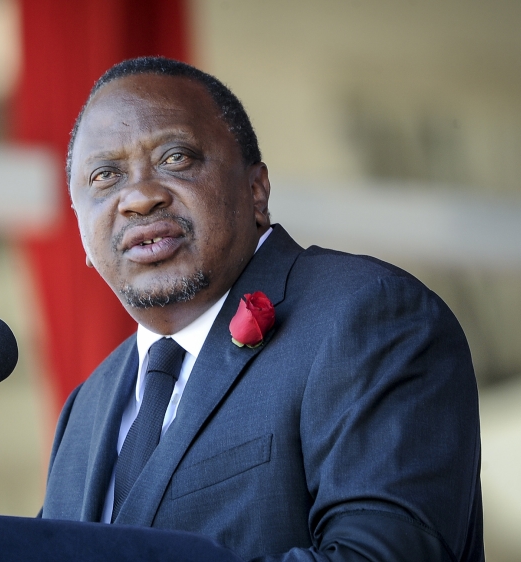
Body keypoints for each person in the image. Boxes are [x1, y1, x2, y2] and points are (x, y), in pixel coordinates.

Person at [40, 56, 483, 562]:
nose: (139, 197)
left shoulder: (369, 315)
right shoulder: (86, 407)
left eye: (176, 158)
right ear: (79, 226)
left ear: (257, 190)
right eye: (104, 175)